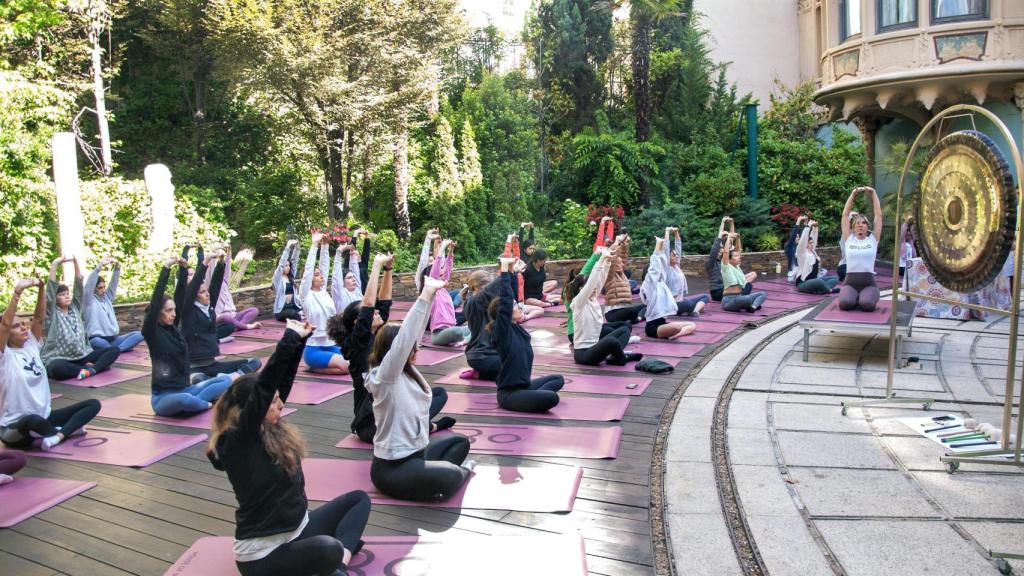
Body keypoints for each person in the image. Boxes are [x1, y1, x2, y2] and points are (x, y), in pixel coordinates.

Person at [208, 318, 370, 576]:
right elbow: (265, 387)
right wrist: (289, 339)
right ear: (254, 409)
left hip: (297, 529)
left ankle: (338, 563)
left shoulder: (268, 427)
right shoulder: (238, 442)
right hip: (264, 555)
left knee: (358, 500)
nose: (281, 404)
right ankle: (331, 559)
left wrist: (300, 343)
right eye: (272, 403)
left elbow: (278, 384)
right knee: (329, 547)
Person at [367, 276, 474, 502]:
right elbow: (405, 338)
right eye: (411, 347)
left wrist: (433, 294)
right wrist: (425, 295)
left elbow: (411, 337)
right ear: (395, 351)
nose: (416, 349)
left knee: (460, 442)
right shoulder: (384, 378)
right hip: (391, 468)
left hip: (417, 454)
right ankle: (450, 475)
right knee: (453, 474)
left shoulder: (408, 372)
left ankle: (437, 475)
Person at [329, 253, 456, 443]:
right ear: (358, 322)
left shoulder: (378, 332)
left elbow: (383, 303)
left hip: (393, 406)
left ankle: (423, 425)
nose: (377, 313)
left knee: (438, 394)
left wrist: (388, 269)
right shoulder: (356, 344)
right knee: (418, 403)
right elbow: (369, 304)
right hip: (372, 424)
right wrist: (376, 265)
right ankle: (428, 426)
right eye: (372, 314)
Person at [1, 277, 101, 451]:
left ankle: (58, 435)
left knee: (93, 404)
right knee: (32, 420)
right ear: (6, 334)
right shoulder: (4, 356)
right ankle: (65, 430)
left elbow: (40, 317)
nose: (25, 327)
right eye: (17, 327)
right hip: (15, 429)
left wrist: (42, 288)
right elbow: (5, 323)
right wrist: (17, 292)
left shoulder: (31, 345)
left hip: (44, 417)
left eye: (24, 324)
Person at [145, 256, 246, 417]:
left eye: (174, 310)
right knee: (185, 399)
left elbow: (180, 296)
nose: (173, 314)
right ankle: (205, 404)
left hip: (187, 389)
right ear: (157, 313)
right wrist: (166, 268)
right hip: (163, 398)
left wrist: (184, 270)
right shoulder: (152, 332)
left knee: (225, 381)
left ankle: (200, 402)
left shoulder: (174, 330)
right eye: (168, 311)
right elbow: (157, 298)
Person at [486, 261, 563, 412]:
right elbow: (507, 299)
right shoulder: (502, 332)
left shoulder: (516, 329)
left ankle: (531, 395)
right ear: (505, 312)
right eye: (514, 306)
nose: (519, 307)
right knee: (552, 398)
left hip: (525, 386)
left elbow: (513, 295)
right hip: (509, 394)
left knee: (558, 379)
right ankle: (531, 397)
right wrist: (504, 270)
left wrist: (513, 272)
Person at [182, 248, 262, 378]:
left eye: (206, 291)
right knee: (199, 378)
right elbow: (194, 285)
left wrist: (221, 261)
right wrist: (206, 260)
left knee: (255, 362)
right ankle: (213, 381)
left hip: (213, 364)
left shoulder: (209, 308)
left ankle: (230, 379)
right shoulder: (188, 310)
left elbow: (215, 285)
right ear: (194, 296)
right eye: (202, 292)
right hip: (194, 368)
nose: (207, 294)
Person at [41, 255, 120, 381]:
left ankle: (91, 369)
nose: (67, 296)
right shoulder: (52, 314)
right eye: (62, 295)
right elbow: (49, 292)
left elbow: (78, 287)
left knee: (113, 350)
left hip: (82, 355)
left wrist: (76, 261)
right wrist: (56, 263)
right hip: (60, 358)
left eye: (67, 294)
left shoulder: (75, 308)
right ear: (56, 299)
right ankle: (86, 369)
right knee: (55, 367)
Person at [570, 238, 643, 366]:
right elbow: (593, 280)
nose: (594, 289)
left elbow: (601, 277)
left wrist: (607, 260)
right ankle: (621, 358)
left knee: (625, 329)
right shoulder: (578, 302)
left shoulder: (592, 298)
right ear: (582, 289)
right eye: (589, 287)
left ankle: (616, 355)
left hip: (595, 346)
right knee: (611, 341)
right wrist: (601, 259)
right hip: (583, 354)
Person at [299, 233, 349, 375]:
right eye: (317, 275)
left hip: (331, 343)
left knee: (357, 359)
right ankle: (314, 368)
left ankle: (318, 368)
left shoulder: (324, 292)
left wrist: (325, 245)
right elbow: (308, 270)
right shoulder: (306, 295)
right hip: (314, 349)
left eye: (320, 274)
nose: (320, 276)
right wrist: (314, 245)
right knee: (346, 366)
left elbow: (325, 266)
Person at [641, 234, 698, 339]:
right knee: (676, 327)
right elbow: (655, 267)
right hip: (653, 328)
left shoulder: (661, 283)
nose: (659, 272)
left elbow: (662, 263)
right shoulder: (648, 287)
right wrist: (658, 245)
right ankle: (674, 332)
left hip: (664, 323)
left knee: (692, 325)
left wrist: (662, 247)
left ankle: (676, 334)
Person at [84, 257, 143, 352]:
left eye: (104, 287)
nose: (103, 290)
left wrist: (117, 268)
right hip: (97, 339)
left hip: (113, 339)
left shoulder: (107, 298)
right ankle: (114, 350)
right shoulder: (89, 301)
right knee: (97, 342)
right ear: (94, 289)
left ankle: (115, 351)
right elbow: (89, 285)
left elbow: (113, 285)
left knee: (139, 334)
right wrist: (99, 266)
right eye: (100, 288)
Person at [839, 186, 883, 312]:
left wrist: (873, 193)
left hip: (868, 282)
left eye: (863, 223)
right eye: (857, 223)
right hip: (850, 282)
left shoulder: (872, 239)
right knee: (845, 304)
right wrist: (853, 194)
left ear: (867, 226)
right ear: (853, 227)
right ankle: (853, 297)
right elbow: (845, 215)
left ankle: (868, 295)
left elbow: (878, 216)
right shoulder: (849, 239)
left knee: (867, 305)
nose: (860, 225)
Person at [425, 239, 471, 347]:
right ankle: (465, 339)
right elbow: (436, 268)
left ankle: (464, 340)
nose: (443, 274)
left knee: (477, 327)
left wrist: (451, 251)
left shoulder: (444, 290)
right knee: (457, 331)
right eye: (440, 275)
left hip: (450, 328)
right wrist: (442, 248)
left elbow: (447, 269)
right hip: (439, 333)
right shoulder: (433, 290)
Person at [460, 270, 503, 380]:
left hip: (491, 353)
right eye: (486, 287)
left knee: (518, 363)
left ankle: (479, 373)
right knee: (511, 368)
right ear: (476, 287)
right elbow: (491, 290)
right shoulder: (472, 303)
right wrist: (507, 271)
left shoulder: (486, 302)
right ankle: (478, 372)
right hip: (480, 356)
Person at [210, 244, 262, 332]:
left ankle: (238, 326)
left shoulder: (225, 282)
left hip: (234, 316)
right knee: (226, 317)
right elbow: (210, 269)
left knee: (254, 310)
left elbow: (227, 268)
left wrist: (229, 252)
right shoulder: (212, 284)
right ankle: (245, 326)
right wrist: (214, 252)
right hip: (220, 317)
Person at [664, 226, 709, 317]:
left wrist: (676, 233)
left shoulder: (677, 266)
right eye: (674, 255)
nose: (676, 256)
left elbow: (678, 247)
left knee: (706, 296)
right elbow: (665, 248)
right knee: (689, 304)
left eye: (676, 255)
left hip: (681, 301)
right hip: (671, 305)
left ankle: (695, 311)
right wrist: (667, 231)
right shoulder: (666, 269)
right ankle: (694, 308)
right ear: (668, 258)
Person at [720, 234, 769, 312]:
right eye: (736, 256)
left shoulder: (737, 267)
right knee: (746, 298)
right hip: (729, 300)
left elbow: (739, 250)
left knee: (763, 294)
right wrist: (729, 237)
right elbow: (726, 252)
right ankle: (751, 305)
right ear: (729, 260)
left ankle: (753, 307)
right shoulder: (726, 267)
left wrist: (738, 238)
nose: (739, 257)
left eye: (738, 256)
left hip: (740, 297)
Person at [602, 235, 644, 324]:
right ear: (614, 264)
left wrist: (624, 244)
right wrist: (617, 242)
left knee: (647, 306)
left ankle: (638, 318)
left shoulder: (623, 275)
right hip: (612, 314)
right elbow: (610, 258)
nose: (622, 264)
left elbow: (623, 257)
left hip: (624, 310)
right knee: (631, 311)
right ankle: (637, 318)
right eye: (619, 263)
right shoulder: (610, 275)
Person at [794, 221, 841, 295]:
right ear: (805, 244)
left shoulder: (813, 252)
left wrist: (815, 228)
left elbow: (814, 238)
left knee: (835, 278)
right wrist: (808, 227)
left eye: (812, 243)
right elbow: (802, 241)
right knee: (819, 281)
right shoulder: (801, 253)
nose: (812, 244)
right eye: (810, 243)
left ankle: (821, 290)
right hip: (803, 284)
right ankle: (830, 290)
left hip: (815, 280)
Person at [273, 239, 303, 322]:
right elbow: (281, 264)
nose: (288, 267)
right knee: (292, 314)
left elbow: (295, 261)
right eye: (286, 266)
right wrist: (288, 247)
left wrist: (297, 248)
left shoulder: (291, 277)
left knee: (306, 311)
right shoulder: (277, 278)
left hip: (294, 307)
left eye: (288, 265)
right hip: (281, 311)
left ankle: (298, 316)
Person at [331, 242, 364, 316]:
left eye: (353, 277)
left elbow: (356, 272)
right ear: (342, 282)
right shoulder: (340, 294)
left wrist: (353, 256)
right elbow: (337, 275)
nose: (354, 279)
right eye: (349, 278)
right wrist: (339, 252)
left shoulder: (357, 291)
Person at [707, 217, 734, 302]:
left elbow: (731, 238)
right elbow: (714, 248)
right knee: (739, 290)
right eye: (718, 251)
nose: (719, 253)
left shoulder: (724, 262)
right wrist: (722, 222)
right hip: (717, 292)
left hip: (725, 289)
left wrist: (731, 223)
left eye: (721, 252)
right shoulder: (711, 263)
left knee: (746, 286)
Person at [785, 216, 808, 283]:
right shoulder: (789, 248)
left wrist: (806, 224)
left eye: (798, 237)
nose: (798, 238)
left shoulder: (799, 246)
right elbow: (793, 235)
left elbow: (803, 234)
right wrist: (798, 220)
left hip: (800, 273)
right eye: (797, 237)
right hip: (793, 275)